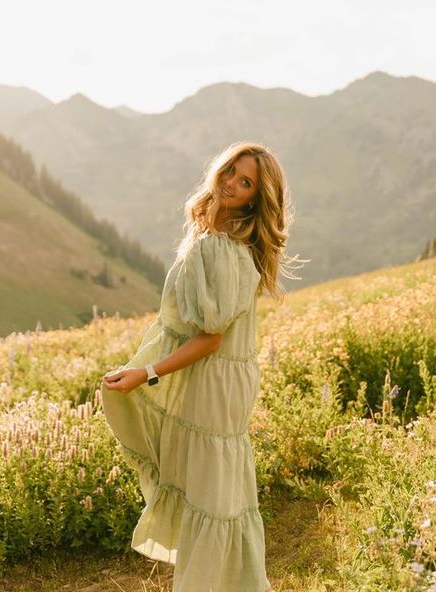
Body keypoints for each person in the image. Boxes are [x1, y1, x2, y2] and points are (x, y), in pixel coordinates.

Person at [101, 141, 307, 592]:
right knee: (217, 495)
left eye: (246, 181)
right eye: (231, 169)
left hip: (214, 381)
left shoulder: (223, 246)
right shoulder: (212, 235)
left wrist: (146, 373)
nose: (232, 181)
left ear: (255, 198)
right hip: (220, 379)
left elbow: (210, 337)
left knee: (214, 497)